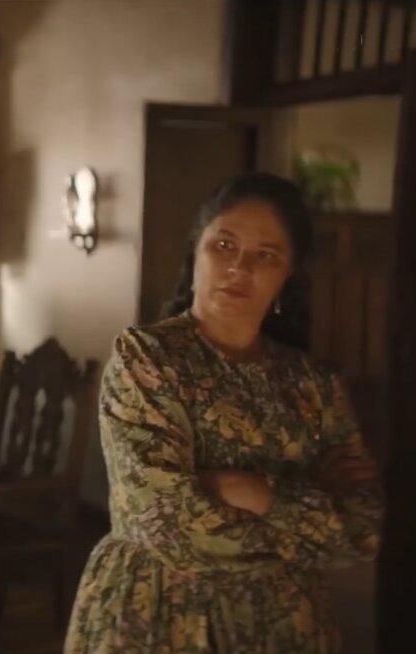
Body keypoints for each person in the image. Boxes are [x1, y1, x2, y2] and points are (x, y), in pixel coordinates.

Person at [64, 173, 382, 653]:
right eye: (224, 245)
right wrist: (309, 508)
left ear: (287, 277)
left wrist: (255, 492)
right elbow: (163, 522)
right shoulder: (147, 359)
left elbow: (362, 530)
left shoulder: (314, 383)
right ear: (196, 253)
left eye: (266, 255)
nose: (240, 266)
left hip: (286, 629)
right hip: (157, 620)